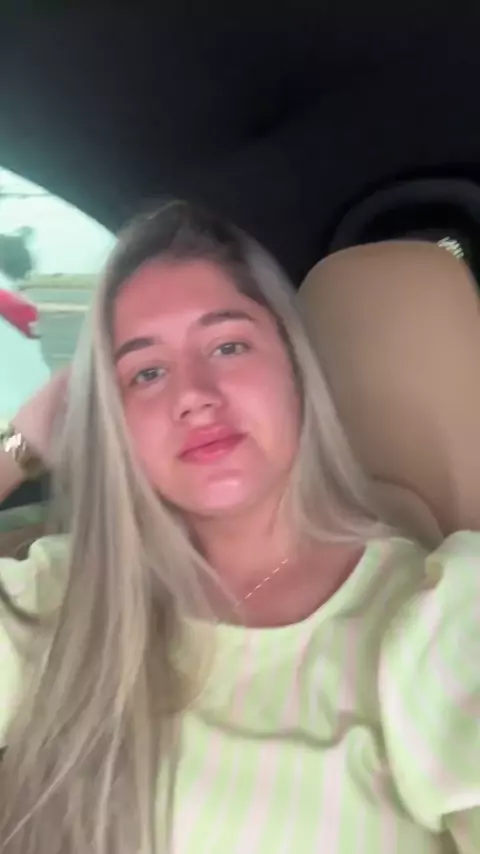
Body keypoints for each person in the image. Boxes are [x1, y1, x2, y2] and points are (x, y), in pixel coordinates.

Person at [0, 200, 478, 854]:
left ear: (296, 370)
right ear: (115, 423)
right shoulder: (64, 597)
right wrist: (20, 446)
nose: (193, 394)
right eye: (146, 372)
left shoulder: (442, 619)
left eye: (228, 346)